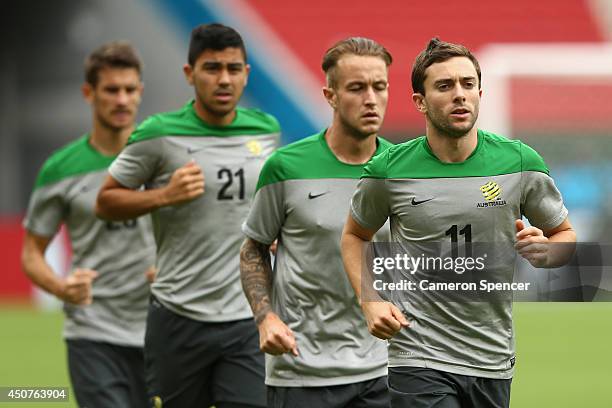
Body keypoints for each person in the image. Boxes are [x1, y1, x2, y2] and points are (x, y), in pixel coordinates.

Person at [341, 38, 576, 408]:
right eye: (445, 86)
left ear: (481, 93)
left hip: (492, 359)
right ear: (420, 101)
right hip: (418, 355)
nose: (459, 95)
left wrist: (548, 251)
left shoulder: (520, 163)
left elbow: (565, 236)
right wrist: (370, 301)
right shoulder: (388, 170)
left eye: (467, 84)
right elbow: (355, 235)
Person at [95, 23, 279, 408]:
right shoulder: (158, 134)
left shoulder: (266, 131)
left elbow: (268, 204)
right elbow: (106, 201)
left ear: (246, 73)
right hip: (178, 315)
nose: (224, 79)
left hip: (246, 315)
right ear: (189, 73)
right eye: (212, 68)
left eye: (233, 68)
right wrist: (165, 195)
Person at [240, 37, 392, 408]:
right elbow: (254, 249)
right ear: (331, 96)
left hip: (386, 369)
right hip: (302, 370)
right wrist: (266, 319)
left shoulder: (405, 169)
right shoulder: (285, 168)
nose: (371, 98)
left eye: (380, 86)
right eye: (357, 88)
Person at [21, 41, 154, 408]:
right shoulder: (60, 168)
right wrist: (61, 287)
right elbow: (32, 253)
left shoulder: (164, 159)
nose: (122, 100)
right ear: (88, 93)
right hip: (92, 331)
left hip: (163, 330)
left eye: (130, 90)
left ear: (140, 92)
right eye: (111, 90)